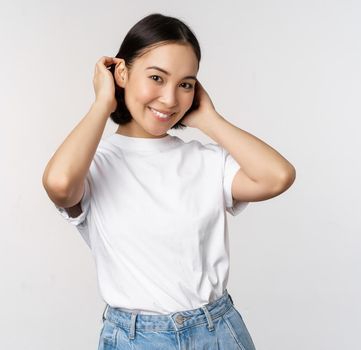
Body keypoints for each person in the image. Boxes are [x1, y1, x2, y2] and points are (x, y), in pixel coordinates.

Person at [41, 13, 295, 349]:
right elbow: (59, 185)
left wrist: (210, 120)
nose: (171, 99)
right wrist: (103, 102)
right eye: (157, 78)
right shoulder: (95, 164)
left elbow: (278, 176)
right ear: (121, 72)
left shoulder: (206, 159)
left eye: (185, 84)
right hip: (136, 339)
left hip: (218, 331)